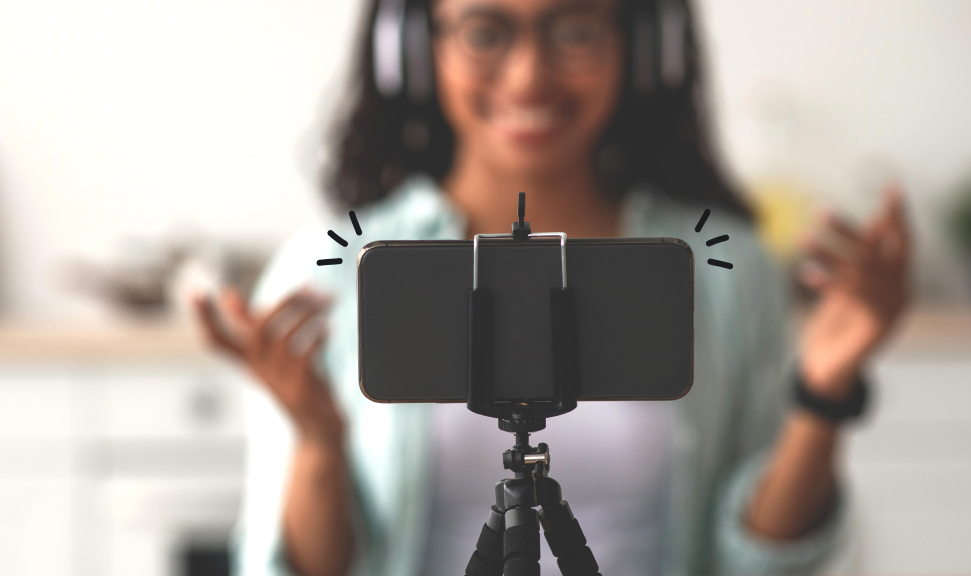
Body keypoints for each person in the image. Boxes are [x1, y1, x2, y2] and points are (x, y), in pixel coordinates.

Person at [194, 0, 911, 574]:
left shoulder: (723, 272)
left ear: (644, 46)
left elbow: (759, 564)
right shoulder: (333, 271)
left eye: (575, 28)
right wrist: (317, 441)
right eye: (485, 30)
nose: (530, 75)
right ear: (413, 50)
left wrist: (823, 393)